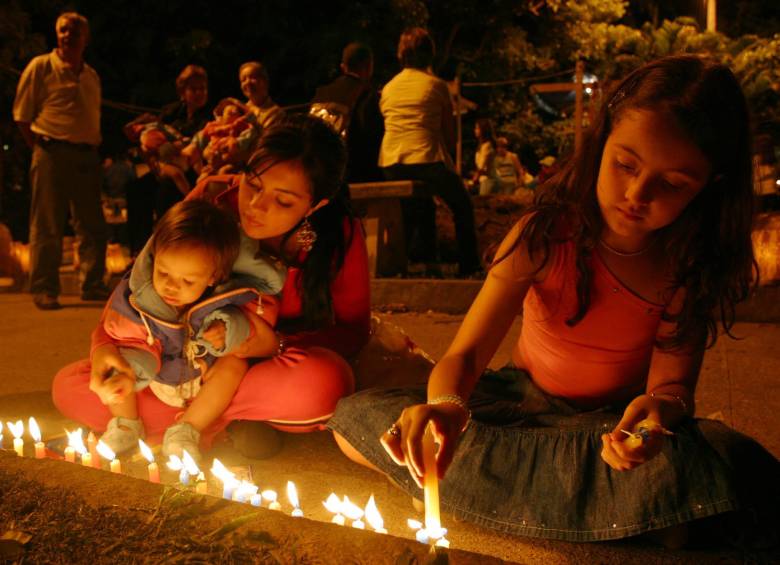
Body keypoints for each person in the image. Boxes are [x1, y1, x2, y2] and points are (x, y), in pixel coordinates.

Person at [330, 56, 779, 547]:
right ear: (601, 141)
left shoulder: (687, 263)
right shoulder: (544, 234)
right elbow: (465, 356)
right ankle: (602, 512)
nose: (636, 192)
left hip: (606, 427)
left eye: (672, 184)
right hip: (518, 406)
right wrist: (446, 406)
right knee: (360, 423)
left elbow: (671, 388)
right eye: (625, 163)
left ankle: (477, 492)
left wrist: (652, 425)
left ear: (709, 186)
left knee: (715, 464)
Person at [53, 114, 371, 459]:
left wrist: (267, 343)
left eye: (283, 201)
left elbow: (352, 331)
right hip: (180, 365)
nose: (255, 206)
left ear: (316, 205)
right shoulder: (212, 204)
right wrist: (106, 352)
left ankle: (192, 424)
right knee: (70, 387)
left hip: (265, 371)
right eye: (253, 183)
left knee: (324, 384)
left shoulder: (337, 236)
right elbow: (138, 289)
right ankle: (213, 424)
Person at [90, 199, 286, 462]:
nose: (171, 287)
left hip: (205, 376)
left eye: (187, 280)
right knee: (118, 367)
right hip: (154, 372)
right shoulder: (139, 292)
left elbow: (256, 323)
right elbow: (119, 331)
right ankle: (126, 424)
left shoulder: (232, 293)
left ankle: (187, 429)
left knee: (234, 366)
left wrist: (229, 331)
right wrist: (128, 365)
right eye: (163, 273)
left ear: (213, 277)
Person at [13, 11, 110, 310]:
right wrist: (44, 147)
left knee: (92, 224)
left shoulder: (91, 76)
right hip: (51, 153)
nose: (68, 35)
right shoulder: (41, 67)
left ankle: (92, 284)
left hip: (86, 156)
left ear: (86, 38)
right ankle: (44, 288)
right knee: (47, 224)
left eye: (75, 31)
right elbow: (22, 117)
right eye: (63, 30)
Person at [378, 27, 481, 276]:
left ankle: (421, 261)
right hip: (424, 159)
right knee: (462, 206)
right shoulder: (436, 86)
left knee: (420, 205)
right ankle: (468, 265)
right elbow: (450, 136)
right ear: (430, 54)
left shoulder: (389, 88)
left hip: (390, 162)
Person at [124, 64, 211, 255]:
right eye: (193, 89)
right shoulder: (171, 112)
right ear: (182, 91)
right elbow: (150, 138)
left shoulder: (210, 117)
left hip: (191, 172)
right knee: (135, 188)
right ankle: (139, 251)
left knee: (167, 190)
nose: (199, 93)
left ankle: (166, 247)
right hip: (161, 167)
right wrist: (155, 163)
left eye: (202, 88)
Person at [310, 41, 384, 182]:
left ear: (343, 67)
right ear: (369, 66)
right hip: (353, 172)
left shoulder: (320, 94)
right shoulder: (367, 95)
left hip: (320, 169)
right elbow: (372, 137)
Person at [239, 62, 284, 132]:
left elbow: (268, 140)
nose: (247, 82)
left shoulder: (276, 113)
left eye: (252, 77)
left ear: (265, 81)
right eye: (243, 79)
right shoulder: (239, 110)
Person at [471, 118, 500, 196]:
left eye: (477, 128)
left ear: (483, 130)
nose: (475, 130)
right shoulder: (483, 145)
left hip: (489, 179)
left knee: (484, 204)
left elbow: (482, 166)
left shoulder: (487, 146)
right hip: (487, 179)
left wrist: (475, 178)